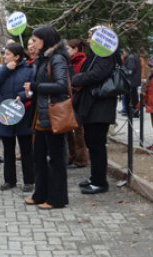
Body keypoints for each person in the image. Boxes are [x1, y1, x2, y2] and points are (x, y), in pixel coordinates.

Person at [22, 26, 70, 209]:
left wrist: (36, 86)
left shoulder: (57, 58)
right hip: (41, 115)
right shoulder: (43, 59)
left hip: (53, 114)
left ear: (46, 40)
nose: (32, 43)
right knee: (39, 157)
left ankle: (57, 199)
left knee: (56, 159)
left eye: (35, 40)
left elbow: (61, 85)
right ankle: (40, 194)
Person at [72, 26, 119, 195]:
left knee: (97, 145)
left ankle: (100, 182)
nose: (89, 39)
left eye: (91, 35)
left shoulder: (105, 54)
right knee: (92, 143)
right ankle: (95, 178)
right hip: (93, 105)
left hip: (100, 107)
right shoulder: (97, 54)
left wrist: (77, 78)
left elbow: (98, 74)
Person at [0, 42, 34, 192]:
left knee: (26, 149)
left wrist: (22, 96)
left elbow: (32, 89)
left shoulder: (29, 70)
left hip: (23, 115)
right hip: (5, 114)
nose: (4, 56)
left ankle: (29, 181)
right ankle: (10, 180)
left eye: (7, 54)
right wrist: (5, 70)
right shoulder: (2, 69)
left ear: (17, 56)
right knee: (8, 150)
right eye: (4, 54)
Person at [66, 39, 89, 169]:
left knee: (78, 131)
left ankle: (81, 159)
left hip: (78, 99)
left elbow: (80, 81)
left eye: (68, 49)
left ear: (75, 49)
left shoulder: (82, 61)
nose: (66, 51)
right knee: (69, 130)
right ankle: (72, 156)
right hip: (69, 99)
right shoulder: (70, 62)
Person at [120, 48, 142, 117]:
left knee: (131, 97)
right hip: (133, 81)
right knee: (133, 97)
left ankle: (133, 111)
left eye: (123, 52)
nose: (123, 54)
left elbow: (130, 69)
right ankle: (132, 111)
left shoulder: (130, 58)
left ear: (126, 52)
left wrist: (122, 69)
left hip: (131, 81)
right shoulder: (132, 57)